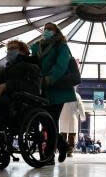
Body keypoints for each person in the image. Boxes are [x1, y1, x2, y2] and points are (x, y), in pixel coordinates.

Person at [31, 22, 77, 164]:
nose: (46, 31)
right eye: (45, 29)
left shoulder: (61, 46)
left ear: (56, 32)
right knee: (46, 121)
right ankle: (62, 146)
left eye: (50, 29)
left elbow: (61, 65)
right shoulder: (37, 47)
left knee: (50, 120)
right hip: (42, 89)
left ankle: (49, 155)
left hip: (58, 89)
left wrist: (50, 78)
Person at [59, 91, 85, 158]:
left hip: (62, 117)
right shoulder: (76, 95)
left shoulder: (61, 94)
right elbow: (80, 106)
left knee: (63, 135)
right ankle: (69, 153)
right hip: (73, 118)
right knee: (72, 136)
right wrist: (83, 116)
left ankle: (63, 151)